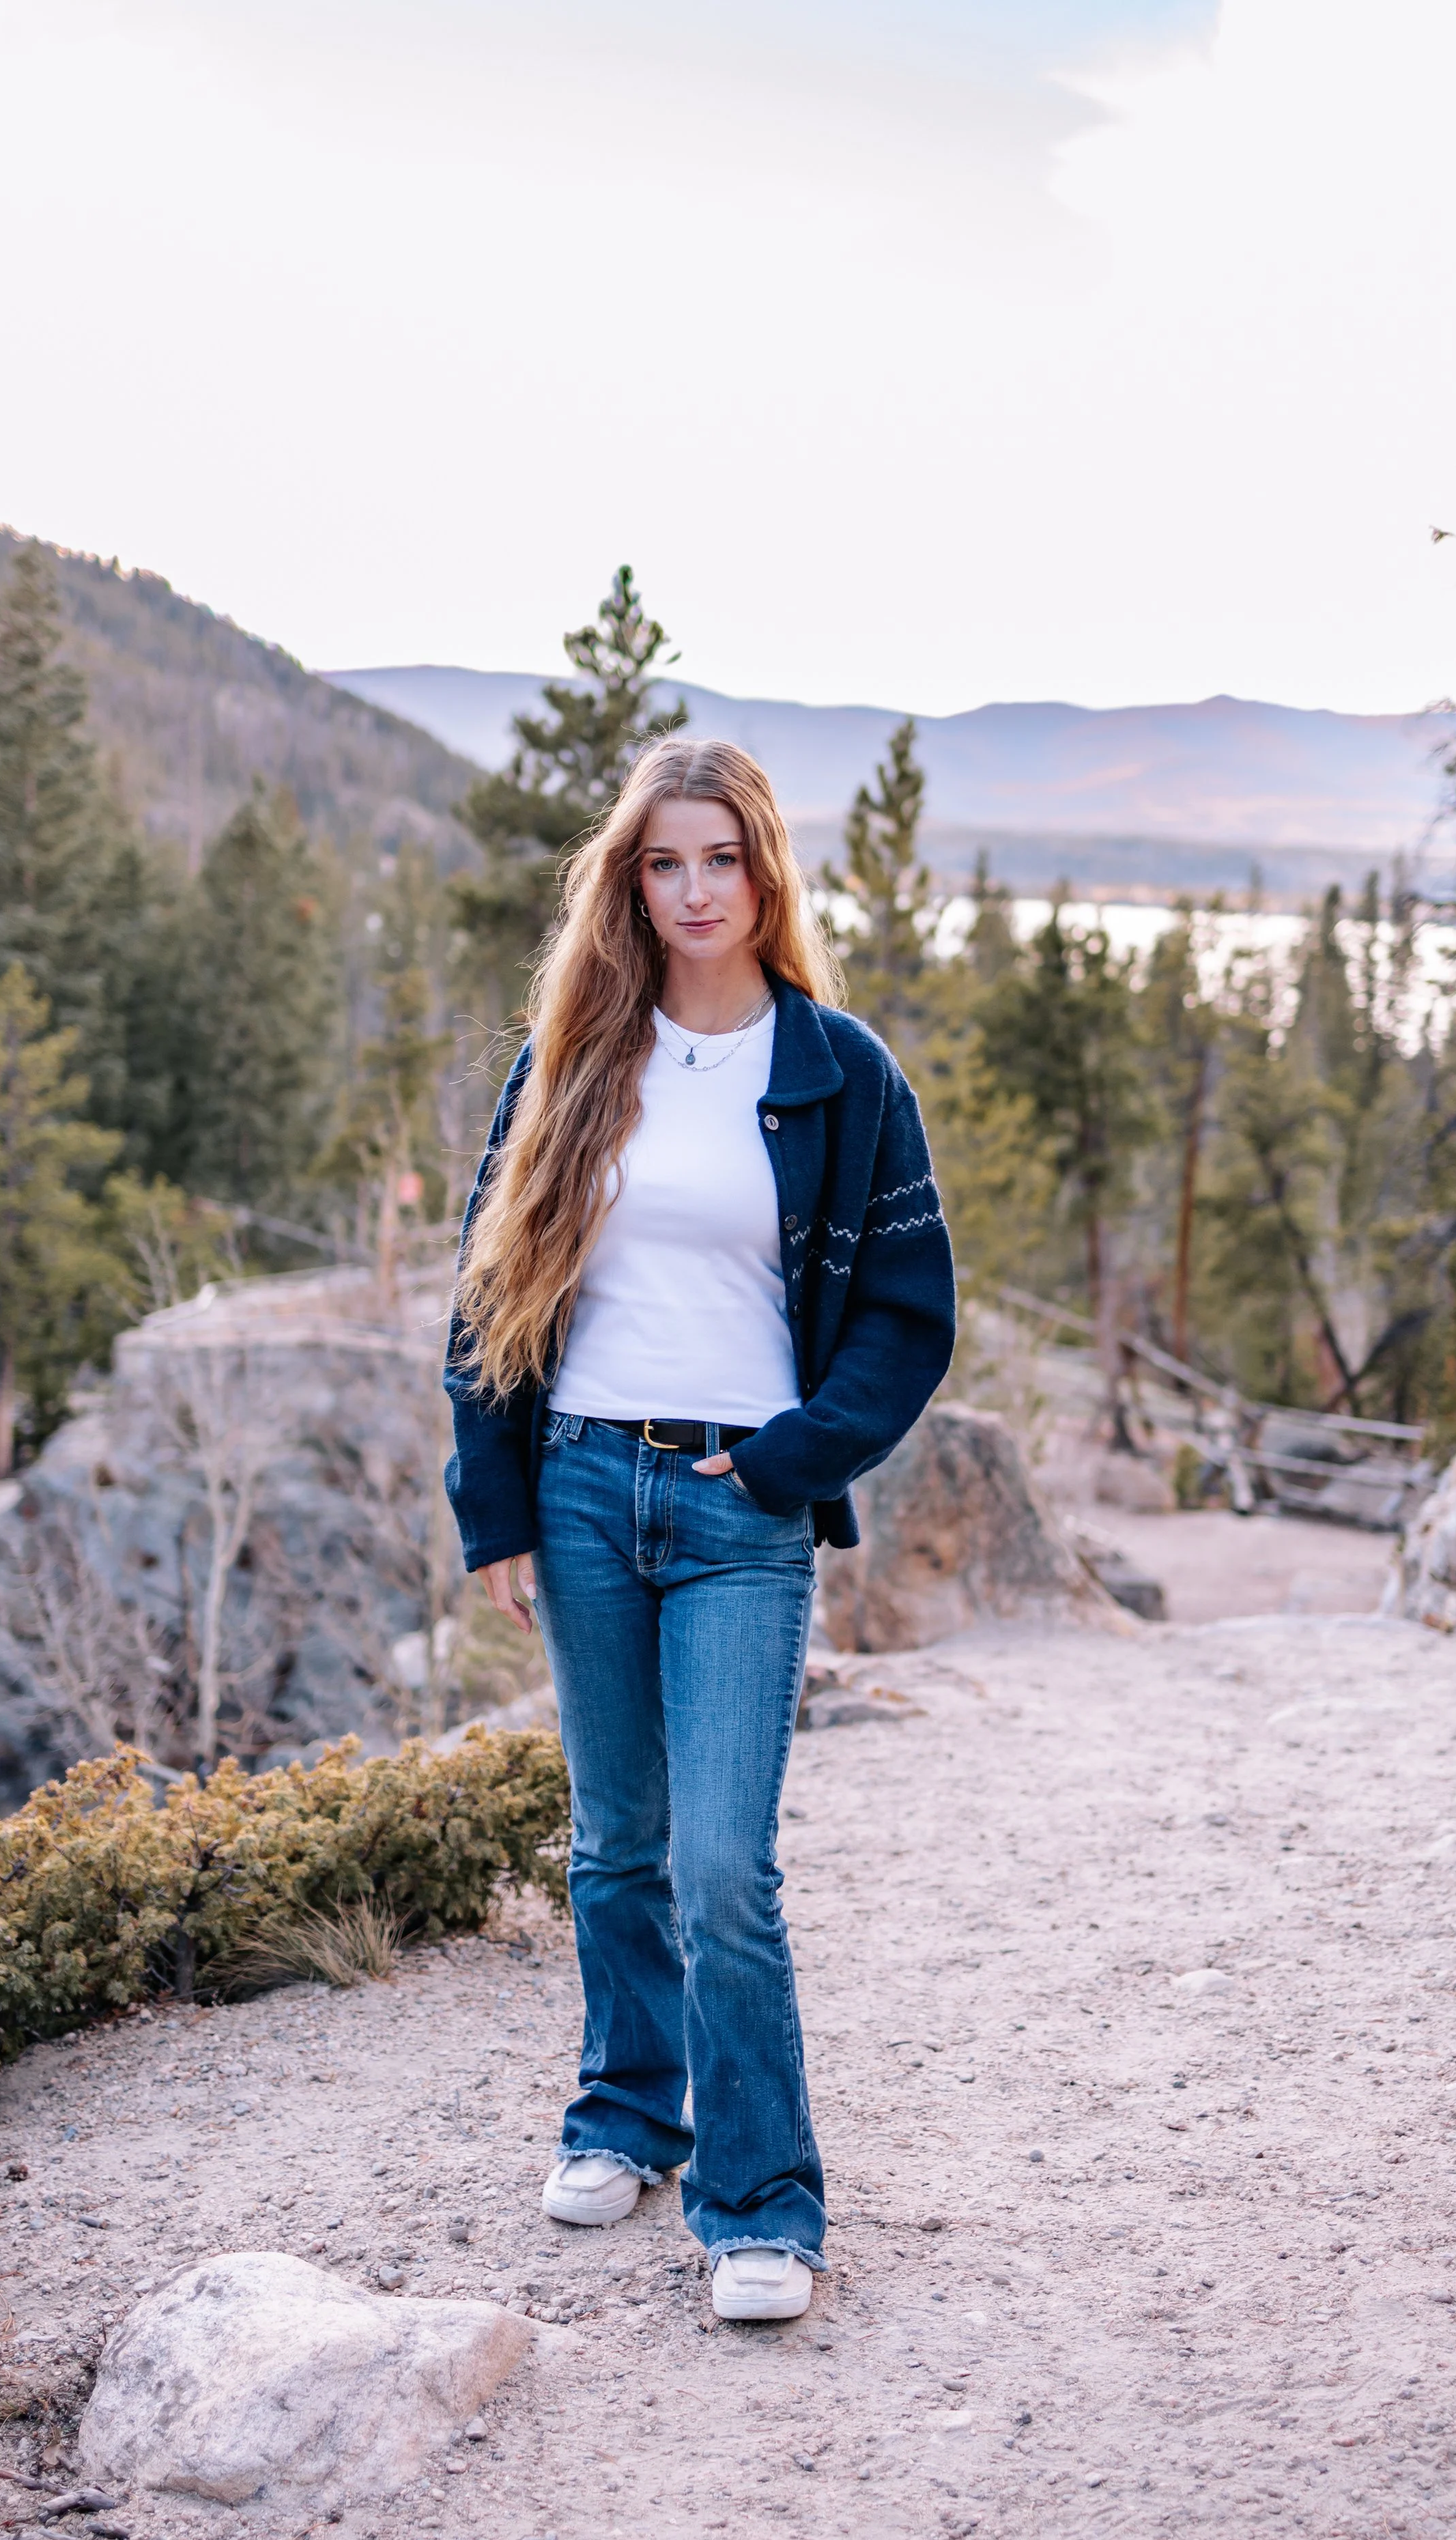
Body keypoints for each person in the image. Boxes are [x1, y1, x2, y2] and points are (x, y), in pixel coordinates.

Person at [443, 735, 956, 2322]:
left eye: (716, 859)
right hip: (588, 1483)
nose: (689, 892)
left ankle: (758, 2202)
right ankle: (624, 2111)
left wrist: (796, 1457)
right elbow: (486, 1291)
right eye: (661, 863)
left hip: (744, 1506)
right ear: (630, 879)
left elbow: (905, 1310)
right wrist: (501, 1503)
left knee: (724, 1865)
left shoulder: (837, 1070)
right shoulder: (575, 1057)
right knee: (614, 1848)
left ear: (763, 870)